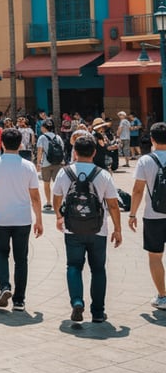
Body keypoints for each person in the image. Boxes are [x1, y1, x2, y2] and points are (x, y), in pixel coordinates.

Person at [52, 135, 122, 324]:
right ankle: (98, 313)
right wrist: (118, 229)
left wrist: (59, 217)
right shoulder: (103, 174)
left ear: (74, 152)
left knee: (74, 266)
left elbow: (56, 196)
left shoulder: (64, 172)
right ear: (94, 152)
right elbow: (113, 205)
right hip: (98, 229)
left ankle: (76, 301)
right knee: (98, 269)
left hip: (72, 229)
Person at [0, 127, 43, 311]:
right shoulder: (28, 166)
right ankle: (20, 300)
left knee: (1, 254)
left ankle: (4, 287)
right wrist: (39, 219)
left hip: (1, 218)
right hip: (22, 219)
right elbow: (36, 197)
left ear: (2, 143)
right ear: (20, 143)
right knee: (21, 259)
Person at [128, 121, 166, 310]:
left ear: (151, 139)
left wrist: (132, 214)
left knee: (155, 256)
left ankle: (163, 296)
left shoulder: (145, 160)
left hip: (153, 215)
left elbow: (137, 190)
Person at [36, 119, 64, 211]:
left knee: (46, 183)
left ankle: (48, 202)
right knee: (58, 184)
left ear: (44, 128)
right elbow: (62, 149)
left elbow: (40, 151)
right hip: (58, 163)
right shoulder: (58, 137)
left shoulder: (42, 137)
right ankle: (59, 202)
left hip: (46, 163)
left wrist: (38, 163)